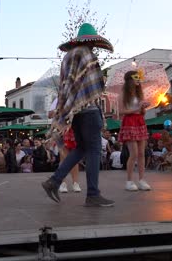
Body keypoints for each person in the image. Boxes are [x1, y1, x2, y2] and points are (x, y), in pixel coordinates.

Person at [41, 23, 115, 207]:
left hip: (75, 110)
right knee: (94, 150)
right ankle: (92, 194)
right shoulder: (87, 54)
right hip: (89, 109)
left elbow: (68, 85)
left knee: (81, 148)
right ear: (91, 40)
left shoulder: (67, 57)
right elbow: (96, 84)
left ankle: (54, 181)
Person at [118, 70, 151, 191]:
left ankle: (142, 180)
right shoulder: (123, 94)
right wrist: (136, 108)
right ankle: (129, 181)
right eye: (136, 77)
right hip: (129, 122)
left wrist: (143, 108)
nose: (138, 80)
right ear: (129, 80)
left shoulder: (139, 95)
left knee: (142, 153)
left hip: (139, 121)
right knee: (134, 153)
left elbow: (141, 113)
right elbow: (120, 112)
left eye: (139, 78)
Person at [48, 97, 81, 193]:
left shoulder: (75, 98)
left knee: (75, 157)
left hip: (73, 128)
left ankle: (75, 183)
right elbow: (49, 114)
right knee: (63, 156)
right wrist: (58, 112)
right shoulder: (58, 100)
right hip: (61, 129)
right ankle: (62, 183)